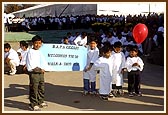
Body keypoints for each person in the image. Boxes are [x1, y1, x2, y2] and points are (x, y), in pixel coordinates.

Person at [26, 35, 48, 111]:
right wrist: (40, 70)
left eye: (39, 43)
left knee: (41, 87)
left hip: (41, 72)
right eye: (36, 43)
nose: (37, 45)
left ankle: (40, 101)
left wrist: (44, 69)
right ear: (33, 43)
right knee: (34, 88)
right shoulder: (30, 52)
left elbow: (43, 62)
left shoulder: (39, 52)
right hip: (34, 73)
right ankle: (33, 104)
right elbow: (31, 65)